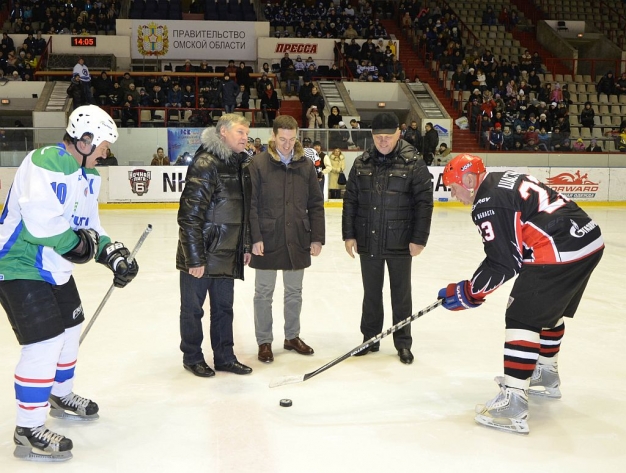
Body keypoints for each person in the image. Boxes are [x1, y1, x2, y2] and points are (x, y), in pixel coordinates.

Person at [0, 105, 139, 462]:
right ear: (85, 138)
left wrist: (112, 253)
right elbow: (38, 220)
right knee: (44, 343)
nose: (107, 151)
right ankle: (28, 427)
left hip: (54, 267)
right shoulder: (46, 160)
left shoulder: (88, 176)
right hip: (19, 264)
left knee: (71, 329)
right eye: (104, 143)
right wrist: (78, 245)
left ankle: (60, 394)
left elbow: (91, 224)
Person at [438, 154, 604, 435]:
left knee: (521, 317)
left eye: (453, 188)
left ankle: (514, 401)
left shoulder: (486, 202)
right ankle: (546, 374)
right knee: (548, 311)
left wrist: (469, 292)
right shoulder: (501, 180)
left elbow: (503, 262)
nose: (454, 195)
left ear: (468, 179)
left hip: (560, 249)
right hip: (588, 241)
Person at [342, 112, 434, 365]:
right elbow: (350, 200)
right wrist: (349, 234)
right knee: (371, 292)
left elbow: (424, 203)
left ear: (398, 134)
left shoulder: (413, 162)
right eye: (378, 137)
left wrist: (419, 239)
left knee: (400, 293)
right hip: (368, 238)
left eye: (388, 136)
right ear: (372, 136)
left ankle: (403, 343)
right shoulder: (362, 161)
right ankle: (370, 338)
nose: (383, 141)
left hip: (401, 240)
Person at [176, 114, 253, 377]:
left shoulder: (239, 164)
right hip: (201, 253)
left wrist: (243, 246)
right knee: (192, 309)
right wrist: (194, 259)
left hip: (227, 253)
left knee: (223, 309)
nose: (246, 137)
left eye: (246, 133)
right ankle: (192, 357)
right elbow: (189, 215)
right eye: (240, 132)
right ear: (223, 132)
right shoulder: (206, 163)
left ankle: (225, 357)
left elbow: (241, 212)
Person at [248, 115, 325, 364]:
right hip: (267, 238)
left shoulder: (305, 165)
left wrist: (317, 238)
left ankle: (292, 336)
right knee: (263, 293)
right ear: (273, 136)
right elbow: (252, 204)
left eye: (292, 139)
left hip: (298, 237)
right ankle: (264, 341)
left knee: (294, 292)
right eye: (282, 139)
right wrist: (255, 237)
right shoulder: (258, 164)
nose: (287, 144)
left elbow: (315, 203)